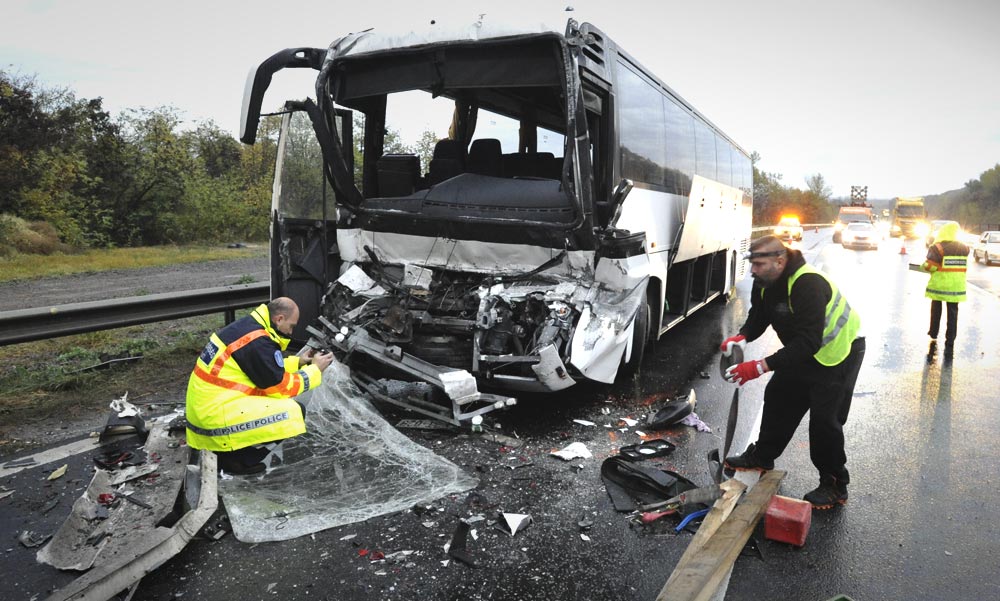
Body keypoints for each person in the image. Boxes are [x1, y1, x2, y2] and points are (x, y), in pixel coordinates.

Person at [719, 236, 865, 509]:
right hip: (805, 349)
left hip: (839, 352)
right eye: (753, 264)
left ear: (780, 261)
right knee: (779, 397)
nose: (753, 270)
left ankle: (834, 484)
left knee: (825, 421)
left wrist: (760, 366)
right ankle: (762, 457)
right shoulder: (765, 283)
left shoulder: (807, 283)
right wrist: (742, 337)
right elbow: (760, 316)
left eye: (760, 264)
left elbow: (810, 341)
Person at [185, 297, 333, 474]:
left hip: (205, 412)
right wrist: (315, 369)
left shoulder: (249, 328)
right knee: (293, 412)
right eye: (291, 326)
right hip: (213, 418)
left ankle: (230, 456)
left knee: (274, 404)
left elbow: (262, 368)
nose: (291, 332)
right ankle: (237, 461)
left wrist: (298, 362)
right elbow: (282, 389)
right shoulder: (257, 341)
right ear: (279, 319)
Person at [922, 221, 969, 360]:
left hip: (940, 286)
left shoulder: (937, 247)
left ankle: (934, 333)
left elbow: (931, 266)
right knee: (953, 314)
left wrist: (923, 266)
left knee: (936, 309)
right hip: (956, 287)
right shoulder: (964, 248)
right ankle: (950, 342)